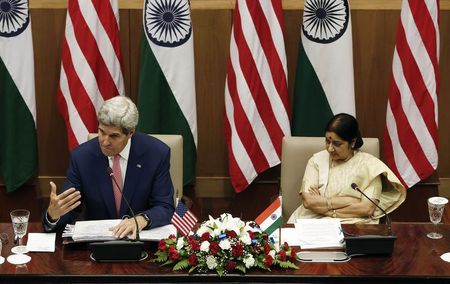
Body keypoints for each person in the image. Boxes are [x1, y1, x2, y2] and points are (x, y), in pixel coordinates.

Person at [42, 96, 175, 239]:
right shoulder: (81, 157)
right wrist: (53, 215)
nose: (105, 142)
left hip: (141, 243)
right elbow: (68, 208)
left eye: (114, 136)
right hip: (96, 247)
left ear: (130, 133)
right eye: (101, 132)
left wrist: (142, 220)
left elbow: (165, 206)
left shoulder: (156, 154)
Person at [288, 113, 406, 224]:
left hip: (353, 225)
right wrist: (349, 200)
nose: (330, 149)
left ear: (352, 142)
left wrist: (325, 206)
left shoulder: (370, 166)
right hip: (312, 222)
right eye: (327, 141)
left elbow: (367, 208)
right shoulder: (316, 161)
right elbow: (308, 201)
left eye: (337, 144)